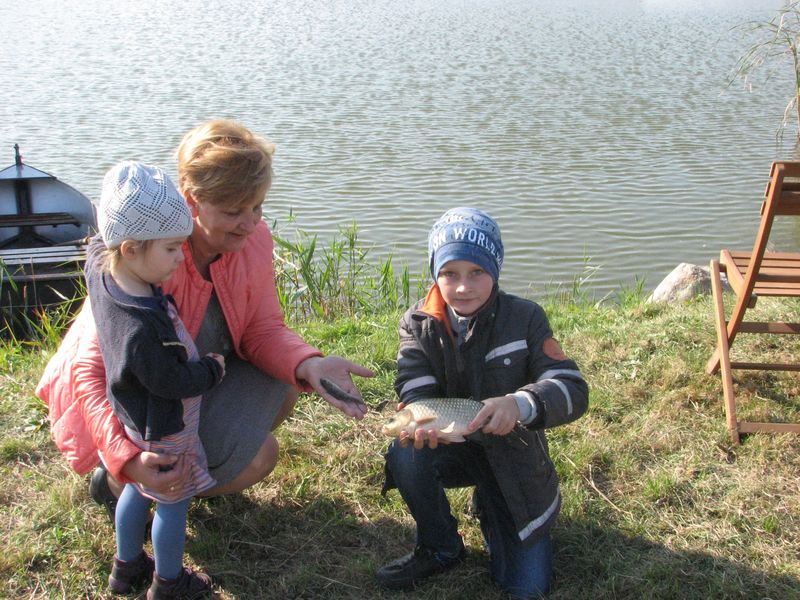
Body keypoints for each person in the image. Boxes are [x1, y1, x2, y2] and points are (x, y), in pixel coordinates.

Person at [35, 119, 374, 577]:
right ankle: (124, 482)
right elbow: (90, 374)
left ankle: (182, 478)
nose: (251, 222)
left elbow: (262, 327)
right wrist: (126, 457)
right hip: (130, 407)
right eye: (235, 209)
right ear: (192, 201)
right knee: (260, 456)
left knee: (288, 386)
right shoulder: (139, 262)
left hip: (186, 383)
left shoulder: (252, 239)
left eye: (257, 207)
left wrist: (308, 362)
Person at [377, 207, 589, 599]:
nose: (463, 287)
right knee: (404, 453)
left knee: (525, 589)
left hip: (513, 453)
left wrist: (520, 403)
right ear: (435, 274)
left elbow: (573, 388)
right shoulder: (417, 323)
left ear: (496, 270)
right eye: (450, 274)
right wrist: (421, 426)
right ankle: (441, 546)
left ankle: (495, 507)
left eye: (477, 272)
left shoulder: (525, 317)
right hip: (452, 444)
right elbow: (415, 389)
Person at [87, 161, 227, 598]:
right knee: (172, 498)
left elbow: (96, 243)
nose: (179, 258)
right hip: (165, 424)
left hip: (133, 419)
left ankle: (126, 567)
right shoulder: (140, 328)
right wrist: (211, 369)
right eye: (170, 249)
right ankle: (169, 582)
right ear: (130, 248)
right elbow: (170, 381)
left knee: (137, 486)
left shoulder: (101, 271)